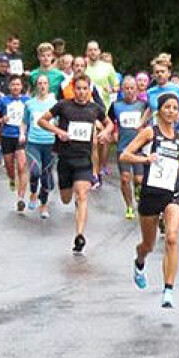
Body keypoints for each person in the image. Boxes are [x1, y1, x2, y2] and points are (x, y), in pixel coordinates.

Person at [122, 93, 179, 307]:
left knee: (171, 238)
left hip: (172, 192)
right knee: (148, 245)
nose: (171, 111)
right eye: (167, 107)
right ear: (159, 110)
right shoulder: (150, 132)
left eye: (175, 108)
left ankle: (168, 290)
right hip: (150, 193)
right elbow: (124, 155)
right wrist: (145, 159)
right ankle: (139, 261)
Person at [38, 76, 114, 254]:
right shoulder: (63, 105)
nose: (81, 92)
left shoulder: (95, 108)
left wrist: (105, 132)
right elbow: (41, 120)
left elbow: (109, 123)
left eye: (84, 89)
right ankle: (70, 194)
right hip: (65, 159)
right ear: (74, 89)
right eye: (78, 88)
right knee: (66, 199)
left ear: (89, 90)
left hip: (84, 160)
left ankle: (80, 235)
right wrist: (58, 132)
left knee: (82, 196)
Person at [108, 76, 149, 219]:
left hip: (139, 147)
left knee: (139, 179)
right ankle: (129, 206)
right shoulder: (115, 105)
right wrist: (113, 132)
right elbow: (109, 120)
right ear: (122, 89)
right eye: (126, 88)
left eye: (132, 88)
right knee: (125, 178)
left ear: (137, 89)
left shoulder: (143, 105)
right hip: (123, 147)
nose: (130, 91)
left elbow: (150, 119)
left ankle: (138, 190)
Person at [0, 75, 30, 212]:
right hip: (7, 135)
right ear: (9, 86)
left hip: (21, 136)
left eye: (18, 85)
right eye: (13, 85)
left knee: (21, 165)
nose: (15, 87)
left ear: (22, 87)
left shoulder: (27, 100)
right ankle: (12, 179)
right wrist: (2, 119)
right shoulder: (3, 100)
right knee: (9, 166)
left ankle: (21, 198)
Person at [85, 40, 120, 182]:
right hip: (87, 108)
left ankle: (99, 168)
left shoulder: (107, 67)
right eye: (90, 50)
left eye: (95, 50)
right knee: (92, 141)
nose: (93, 52)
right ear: (87, 52)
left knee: (102, 141)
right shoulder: (84, 67)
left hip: (104, 106)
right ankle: (92, 171)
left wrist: (111, 89)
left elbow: (117, 85)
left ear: (99, 51)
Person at [24, 74, 58, 219]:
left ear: (48, 86)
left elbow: (60, 122)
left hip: (50, 143)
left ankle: (43, 205)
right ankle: (32, 191)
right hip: (33, 142)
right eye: (39, 83)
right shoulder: (30, 104)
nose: (42, 86)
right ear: (36, 86)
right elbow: (25, 122)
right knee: (35, 172)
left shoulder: (55, 104)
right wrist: (21, 134)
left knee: (46, 176)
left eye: (45, 83)